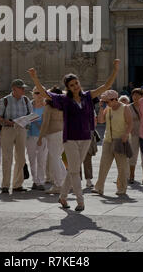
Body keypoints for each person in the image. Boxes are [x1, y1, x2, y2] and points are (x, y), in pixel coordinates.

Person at [28, 59, 120, 212]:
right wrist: (35, 78)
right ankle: (80, 201)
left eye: (76, 83)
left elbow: (106, 86)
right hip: (70, 138)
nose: (75, 86)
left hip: (85, 137)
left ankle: (63, 197)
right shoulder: (64, 99)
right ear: (68, 88)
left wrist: (116, 69)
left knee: (73, 169)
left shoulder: (87, 96)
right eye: (72, 85)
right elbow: (46, 94)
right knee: (75, 171)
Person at [0, 79, 33, 194]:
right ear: (14, 89)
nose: (23, 90)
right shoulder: (5, 100)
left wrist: (26, 121)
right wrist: (8, 122)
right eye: (21, 88)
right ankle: (5, 185)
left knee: (21, 158)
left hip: (21, 129)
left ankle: (17, 184)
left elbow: (31, 116)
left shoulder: (26, 100)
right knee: (7, 157)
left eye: (23, 88)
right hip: (8, 129)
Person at [93, 90, 132, 196]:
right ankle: (99, 187)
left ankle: (122, 188)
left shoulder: (125, 108)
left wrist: (126, 134)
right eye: (105, 102)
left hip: (120, 140)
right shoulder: (108, 108)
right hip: (108, 140)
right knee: (103, 165)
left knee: (121, 166)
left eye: (107, 102)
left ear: (114, 99)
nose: (106, 103)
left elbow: (130, 123)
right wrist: (101, 107)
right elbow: (101, 121)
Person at [37, 86, 66, 194]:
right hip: (63, 133)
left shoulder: (49, 108)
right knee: (57, 158)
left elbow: (45, 123)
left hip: (53, 134)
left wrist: (40, 137)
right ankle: (67, 181)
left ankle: (58, 185)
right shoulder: (63, 106)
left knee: (54, 159)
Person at [26, 87, 47, 190]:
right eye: (37, 93)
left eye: (42, 93)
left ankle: (41, 181)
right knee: (32, 159)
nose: (39, 95)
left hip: (42, 136)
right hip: (30, 135)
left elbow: (47, 122)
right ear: (33, 94)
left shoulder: (47, 106)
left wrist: (35, 121)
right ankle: (35, 180)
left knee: (41, 159)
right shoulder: (28, 105)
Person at [128, 88, 143, 185]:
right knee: (132, 155)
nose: (135, 97)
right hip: (133, 134)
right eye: (134, 95)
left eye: (137, 95)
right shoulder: (128, 107)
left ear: (142, 96)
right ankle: (131, 176)